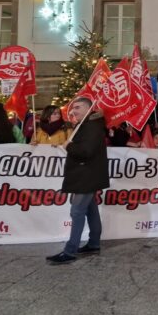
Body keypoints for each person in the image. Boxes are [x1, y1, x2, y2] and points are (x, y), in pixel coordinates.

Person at [46, 97, 109, 264]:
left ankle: (70, 250)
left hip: (86, 176)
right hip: (87, 175)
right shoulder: (86, 125)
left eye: (78, 107)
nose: (74, 110)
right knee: (90, 210)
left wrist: (69, 146)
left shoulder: (91, 127)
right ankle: (94, 243)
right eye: (73, 107)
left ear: (89, 108)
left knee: (77, 211)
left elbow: (86, 151)